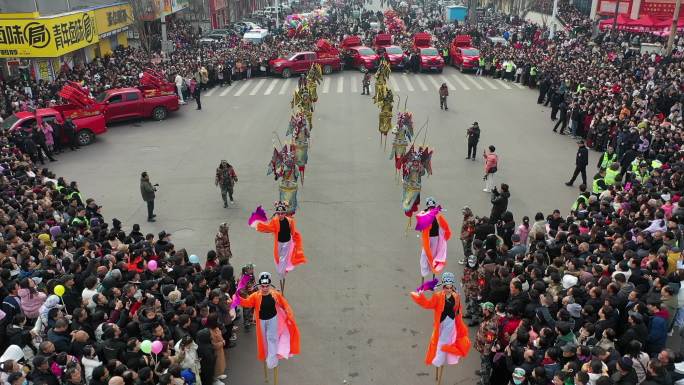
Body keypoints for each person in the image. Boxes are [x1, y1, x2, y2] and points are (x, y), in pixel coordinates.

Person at [239, 272, 300, 384]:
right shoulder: (255, 296)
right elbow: (247, 303)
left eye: (267, 286)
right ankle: (267, 356)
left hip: (273, 320)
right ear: (260, 285)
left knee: (272, 339)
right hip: (261, 321)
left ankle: (272, 360)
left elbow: (284, 304)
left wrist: (288, 312)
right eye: (263, 286)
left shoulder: (275, 294)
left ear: (269, 285)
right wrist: (237, 298)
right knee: (263, 341)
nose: (265, 288)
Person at [411, 272, 471, 385]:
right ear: (443, 286)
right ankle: (439, 362)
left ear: (452, 286)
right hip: (441, 326)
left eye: (450, 287)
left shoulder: (456, 296)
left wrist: (460, 326)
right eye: (446, 287)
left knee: (446, 347)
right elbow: (428, 304)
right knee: (439, 347)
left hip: (451, 326)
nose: (448, 289)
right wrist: (421, 293)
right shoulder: (438, 296)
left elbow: (458, 312)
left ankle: (442, 362)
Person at [250, 201, 306, 293]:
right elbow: (268, 228)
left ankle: (281, 274)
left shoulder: (290, 221)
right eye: (278, 213)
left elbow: (292, 232)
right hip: (278, 243)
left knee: (283, 260)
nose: (280, 215)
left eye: (282, 213)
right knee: (277, 258)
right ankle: (281, 273)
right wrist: (258, 224)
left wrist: (294, 241)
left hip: (286, 243)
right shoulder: (275, 221)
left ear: (285, 213)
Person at [418, 197, 452, 283]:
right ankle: (424, 272)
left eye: (432, 207)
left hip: (435, 238)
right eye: (430, 207)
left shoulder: (438, 214)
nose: (431, 208)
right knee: (424, 254)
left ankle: (432, 274)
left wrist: (445, 233)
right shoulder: (424, 213)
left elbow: (443, 225)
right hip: (427, 237)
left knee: (433, 256)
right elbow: (420, 223)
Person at [475, 302, 499, 385]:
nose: (482, 309)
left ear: (487, 310)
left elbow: (490, 340)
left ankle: (485, 381)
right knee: (483, 362)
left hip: (486, 349)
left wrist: (486, 352)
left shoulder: (491, 324)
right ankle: (483, 371)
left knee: (486, 364)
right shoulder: (488, 317)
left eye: (483, 308)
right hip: (482, 346)